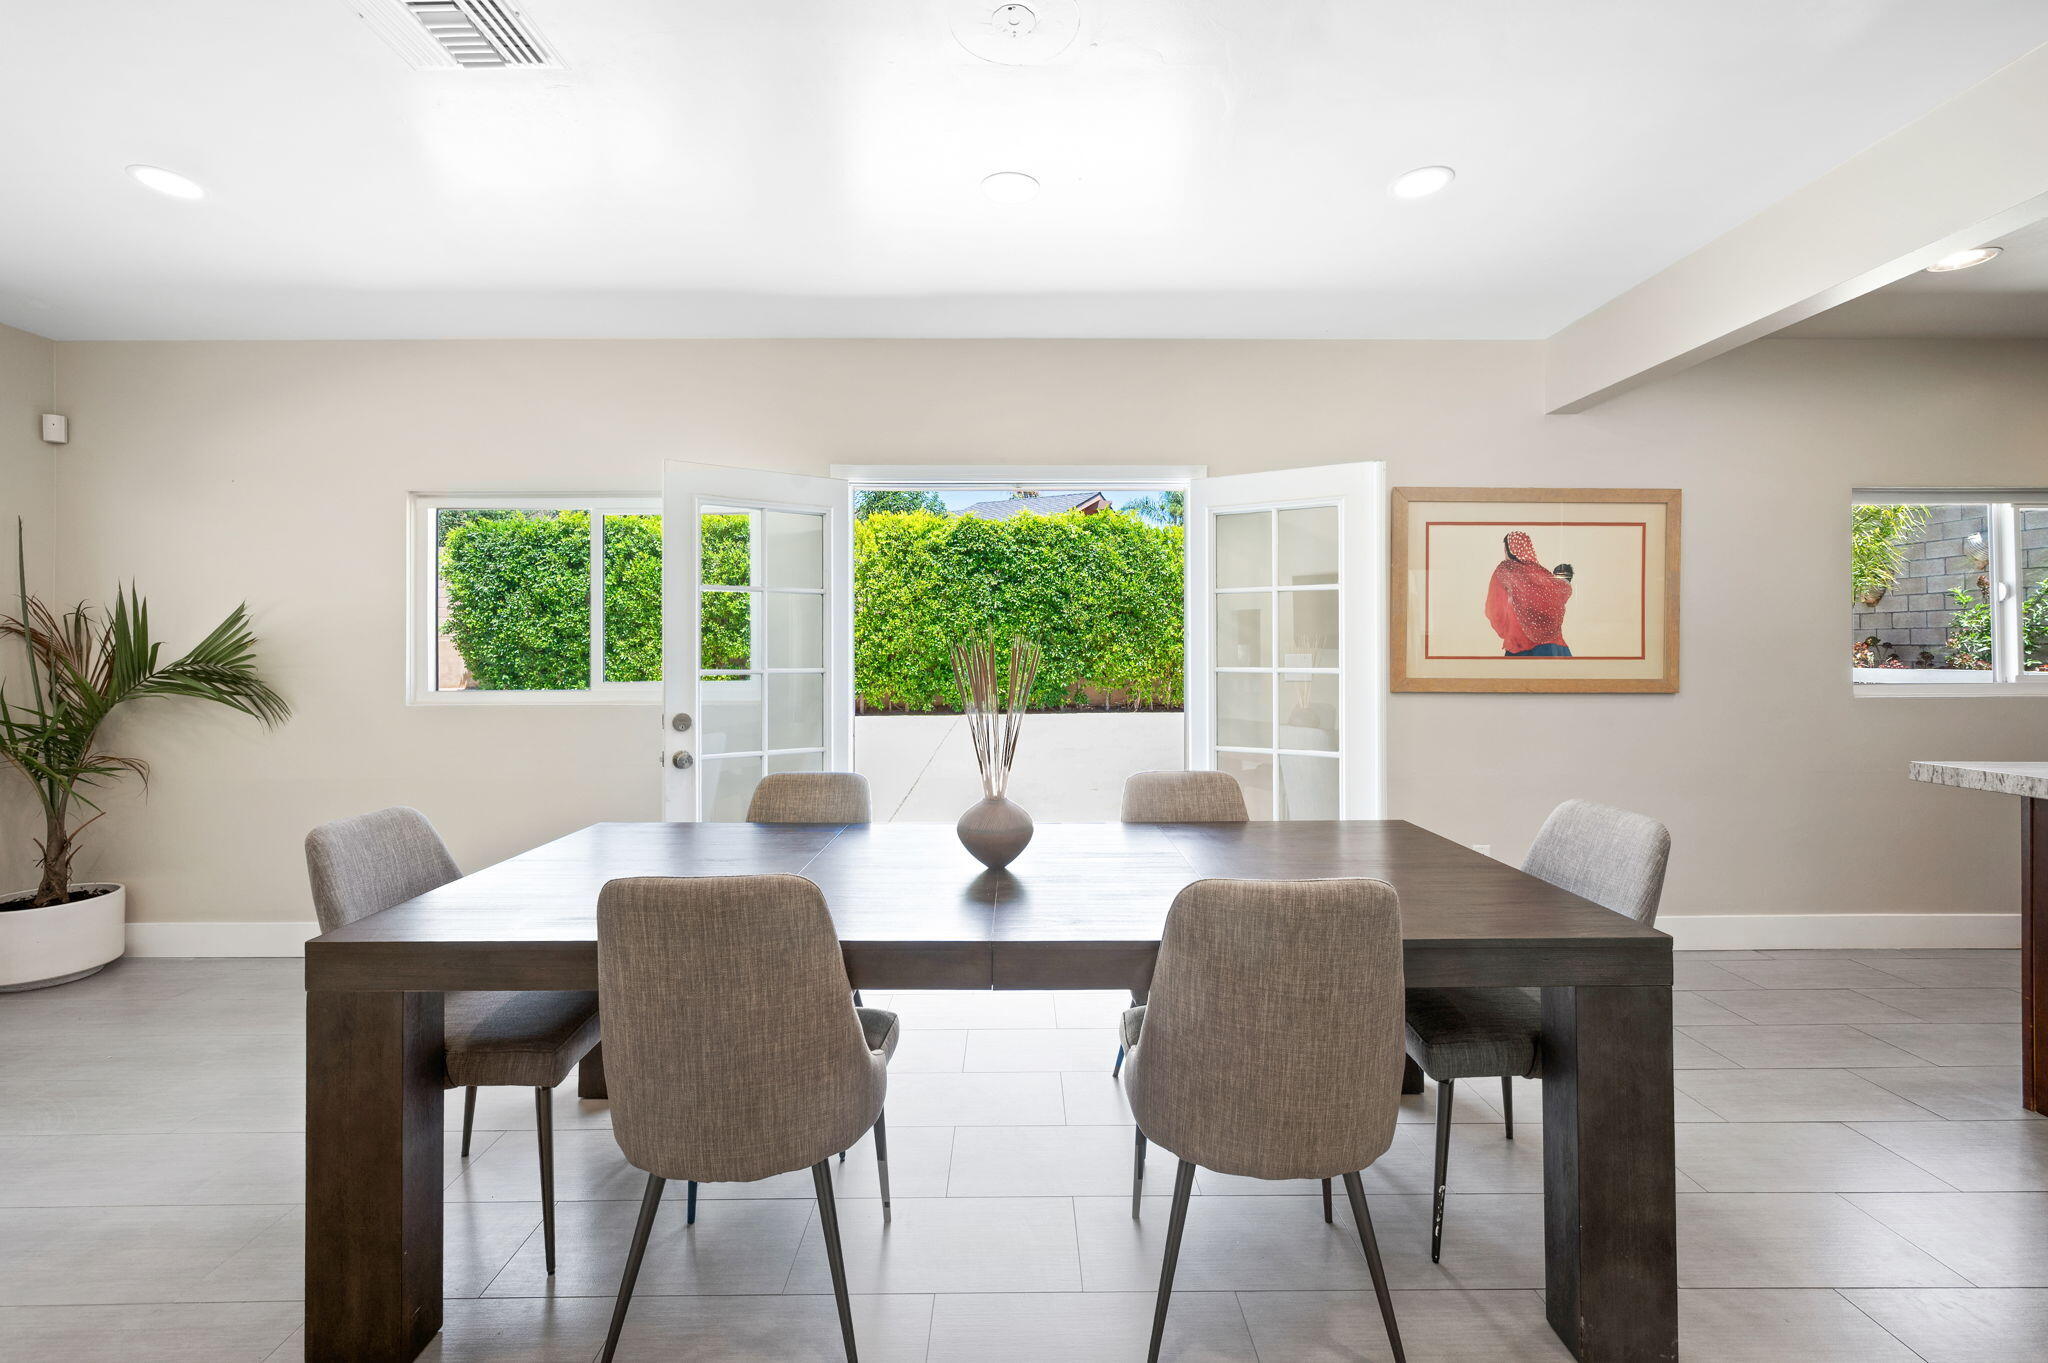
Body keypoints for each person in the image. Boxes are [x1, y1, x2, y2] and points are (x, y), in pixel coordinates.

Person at [1485, 531, 1573, 657]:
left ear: (1509, 549)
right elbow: (1562, 593)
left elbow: (1494, 611)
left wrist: (1507, 633)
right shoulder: (1542, 573)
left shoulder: (1505, 570)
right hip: (1554, 647)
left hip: (1519, 646)